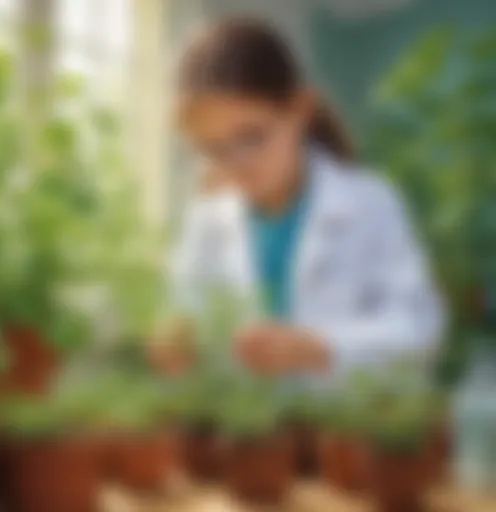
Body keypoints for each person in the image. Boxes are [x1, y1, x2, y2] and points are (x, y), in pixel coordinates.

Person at [152, 17, 444, 377]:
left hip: (343, 422)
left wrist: (322, 346)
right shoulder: (207, 218)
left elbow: (421, 329)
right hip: (242, 426)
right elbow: (186, 314)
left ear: (299, 111)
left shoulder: (370, 204)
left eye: (250, 139)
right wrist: (178, 342)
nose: (236, 166)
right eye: (213, 150)